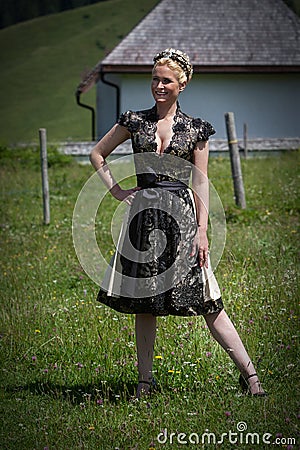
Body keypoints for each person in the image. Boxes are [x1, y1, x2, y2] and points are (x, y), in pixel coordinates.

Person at [90, 48, 266, 398]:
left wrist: (202, 231)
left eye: (166, 80)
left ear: (182, 84)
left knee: (208, 301)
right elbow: (98, 153)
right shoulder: (134, 121)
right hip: (143, 218)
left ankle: (251, 378)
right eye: (154, 79)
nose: (158, 85)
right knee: (144, 304)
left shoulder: (196, 128)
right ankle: (144, 382)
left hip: (182, 220)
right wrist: (116, 191)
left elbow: (200, 182)